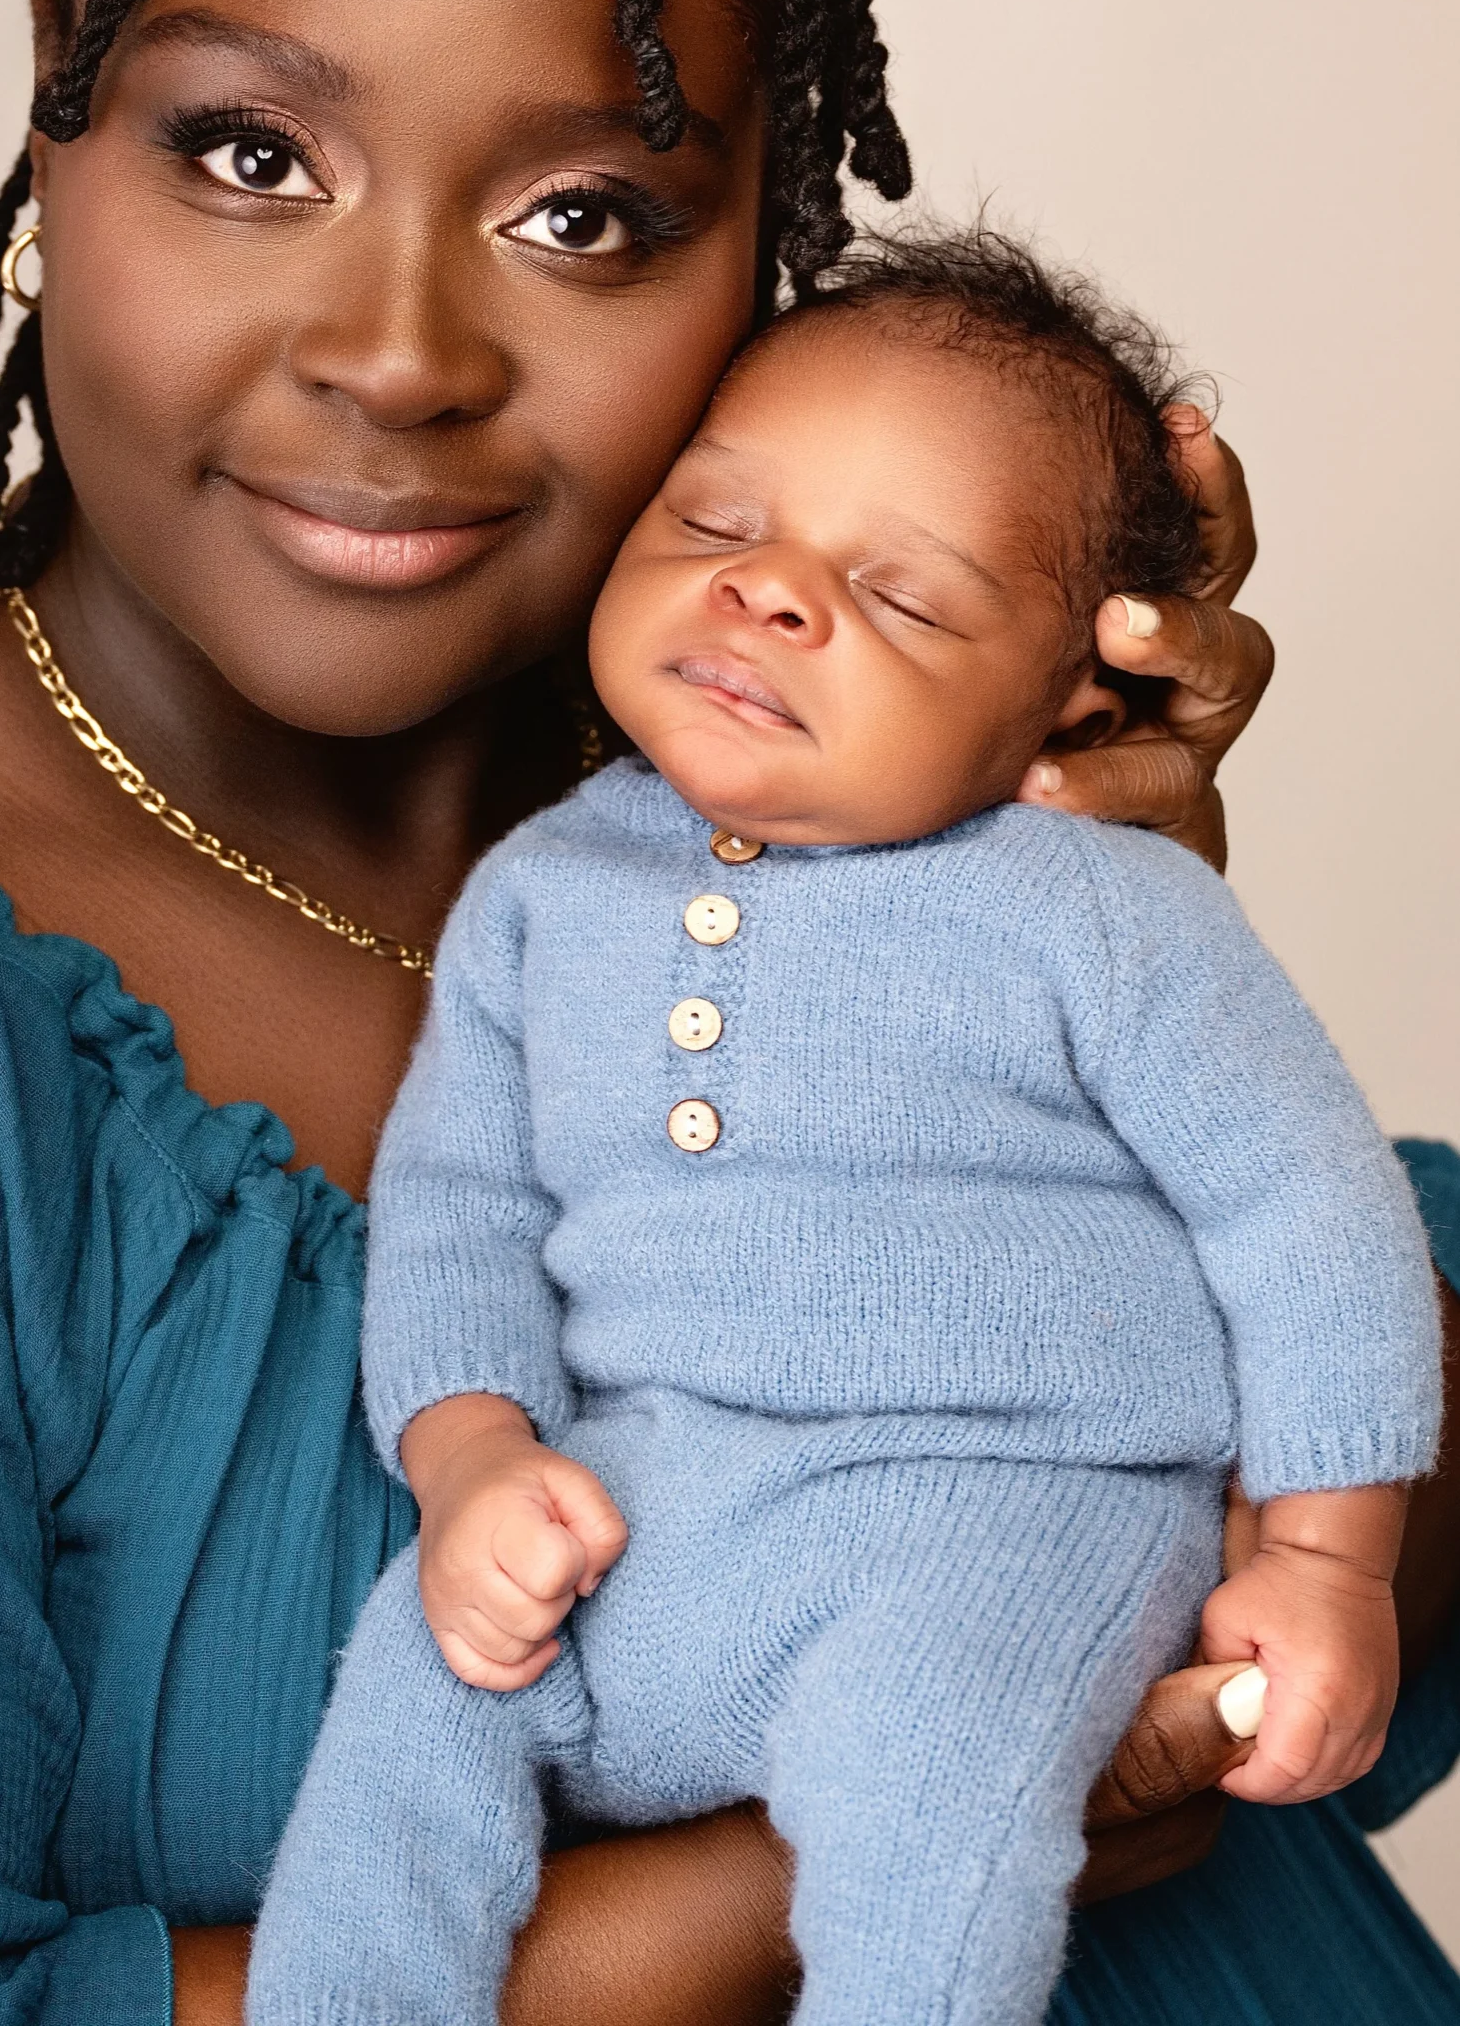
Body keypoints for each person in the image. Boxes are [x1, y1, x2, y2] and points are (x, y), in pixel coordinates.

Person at [0, 0, 1454, 2020]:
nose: (396, 353)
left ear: (772, 240)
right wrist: (901, 1831)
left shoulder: (786, 756)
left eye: (584, 212)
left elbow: (1356, 1563)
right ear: (58, 112)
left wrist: (1114, 916)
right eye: (246, 148)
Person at [246, 237, 1442, 2025]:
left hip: (1010, 1509)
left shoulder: (1096, 907)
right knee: (418, 1698)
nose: (774, 598)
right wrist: (473, 1460)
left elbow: (1311, 1214)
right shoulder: (541, 895)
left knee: (924, 1790)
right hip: (649, 1504)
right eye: (715, 530)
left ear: (1075, 701)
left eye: (907, 600)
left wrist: (1327, 1556)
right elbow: (455, 1220)